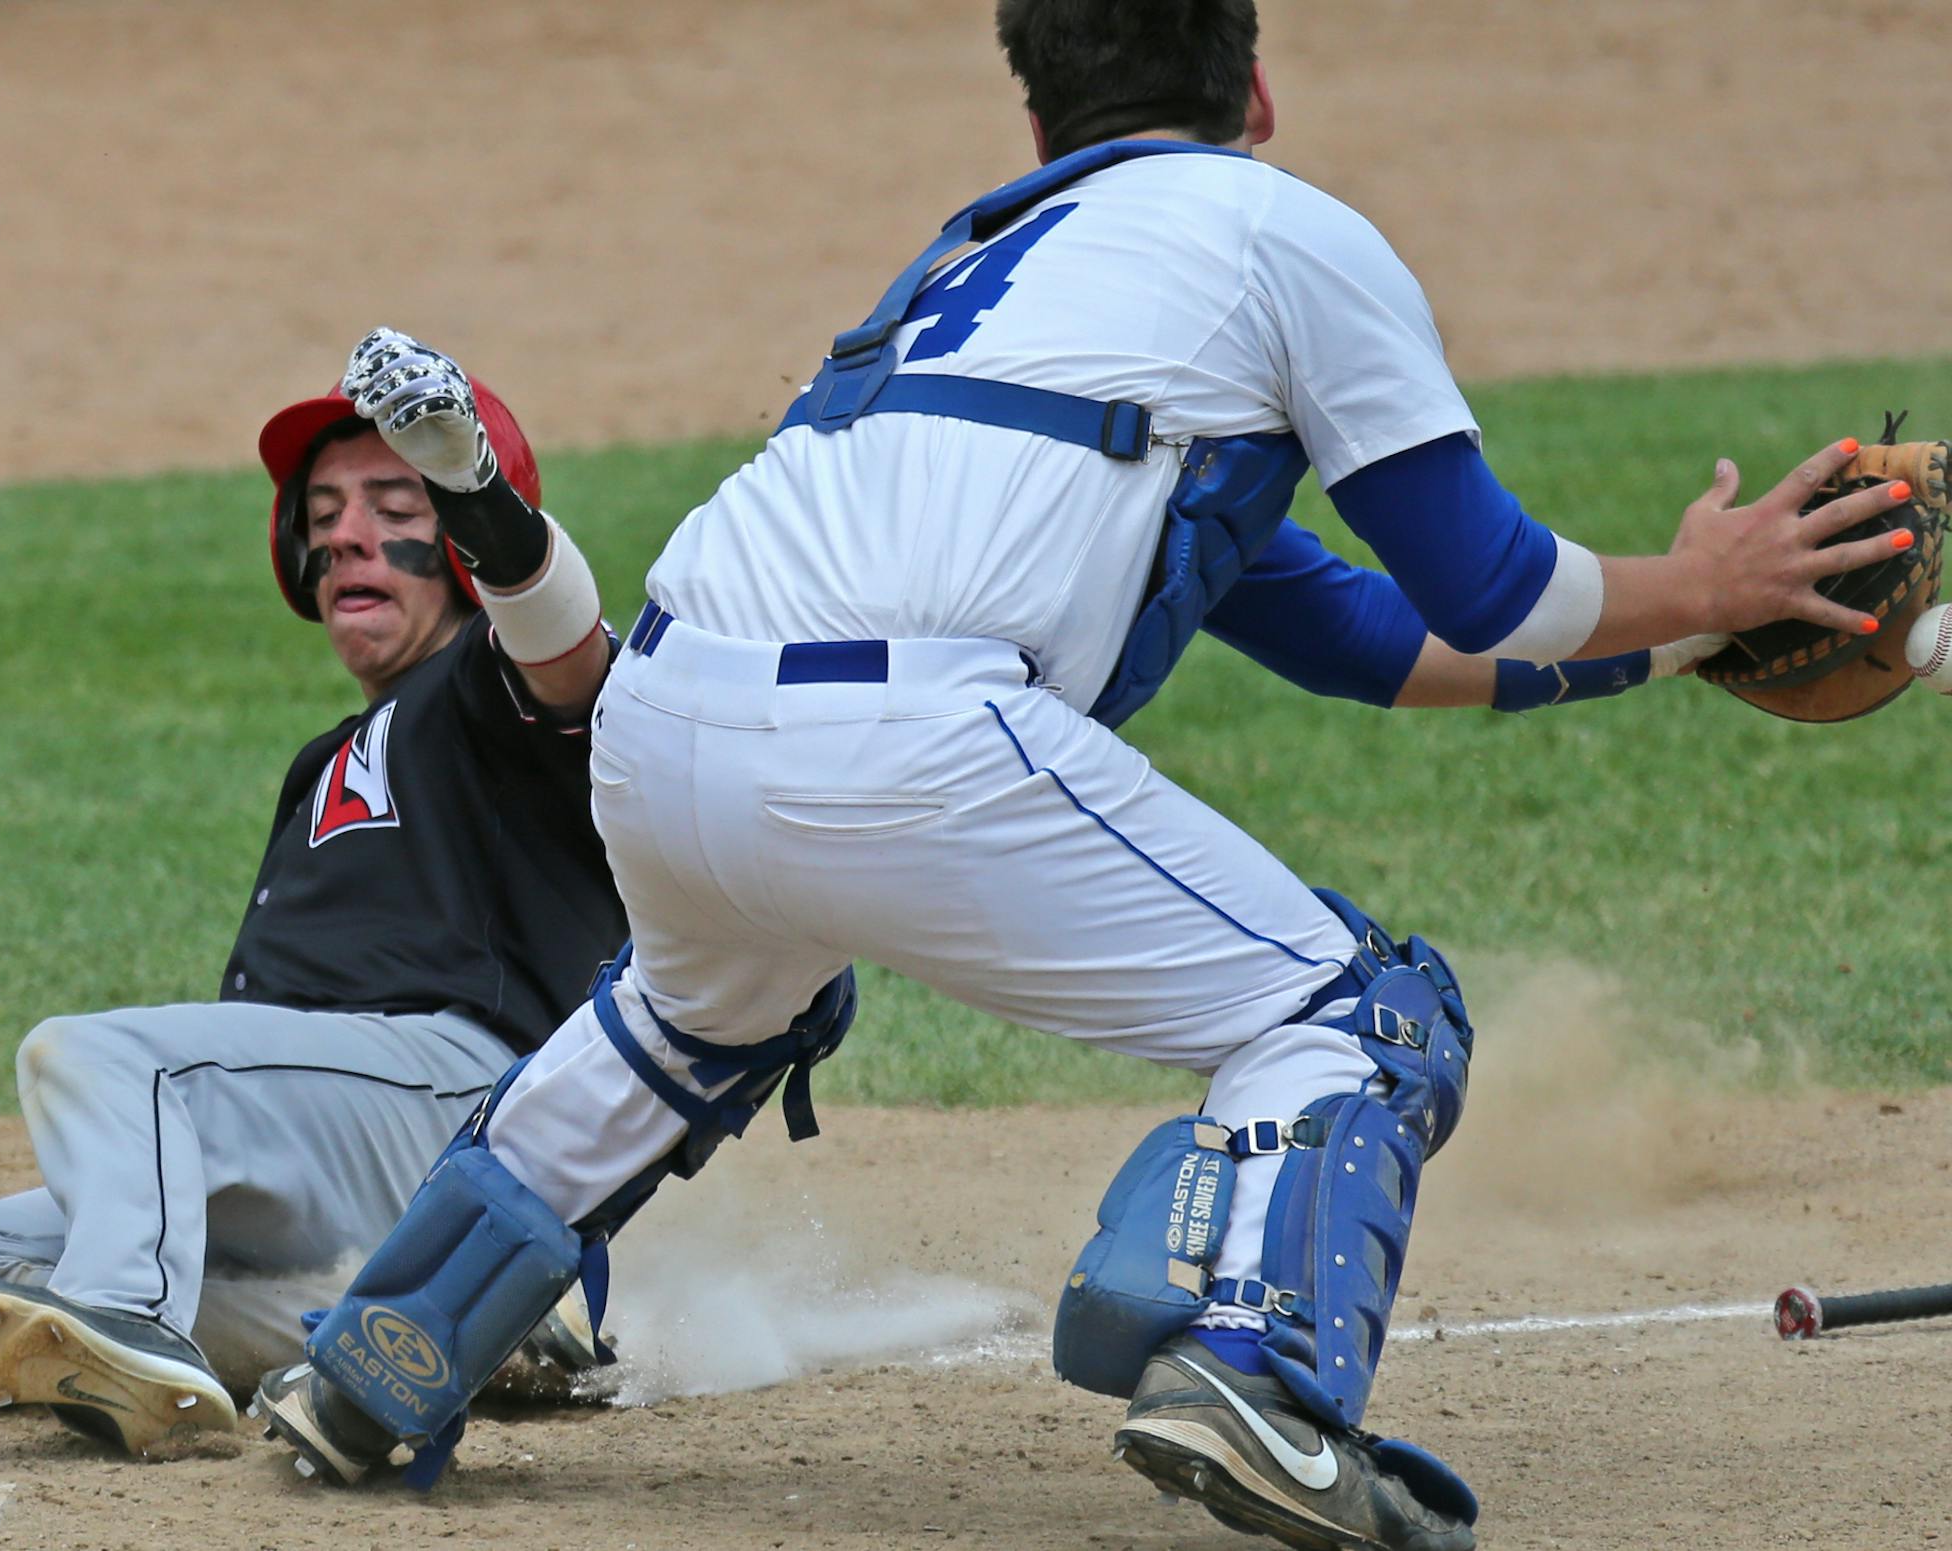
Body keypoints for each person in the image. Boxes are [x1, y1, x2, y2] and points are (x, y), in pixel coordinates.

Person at [254, 3, 1915, 1544]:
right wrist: (1700, 583)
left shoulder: (982, 263)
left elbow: (1355, 633)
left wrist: (1685, 637)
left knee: (688, 1021)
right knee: (1357, 1015)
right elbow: (1493, 585)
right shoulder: (1283, 236)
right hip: (905, 741)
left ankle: (378, 1358)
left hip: (668, 722)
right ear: (1250, 90)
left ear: (1044, 113)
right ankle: (1259, 1377)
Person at [0, 328, 629, 1459]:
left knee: (105, 1058)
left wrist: (480, 497)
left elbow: (567, 655)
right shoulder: (328, 760)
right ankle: (430, 1325)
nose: (349, 535)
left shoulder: (492, 689)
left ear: (460, 538)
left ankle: (135, 1318)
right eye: (323, 515)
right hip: (317, 1131)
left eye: (396, 508)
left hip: (457, 1107)